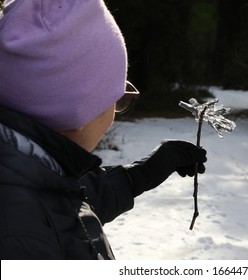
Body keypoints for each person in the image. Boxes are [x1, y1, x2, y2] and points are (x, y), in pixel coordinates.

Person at [0, 0, 207, 260]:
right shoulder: (20, 238)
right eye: (116, 99)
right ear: (78, 112)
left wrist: (136, 177)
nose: (114, 115)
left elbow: (57, 206)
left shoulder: (25, 176)